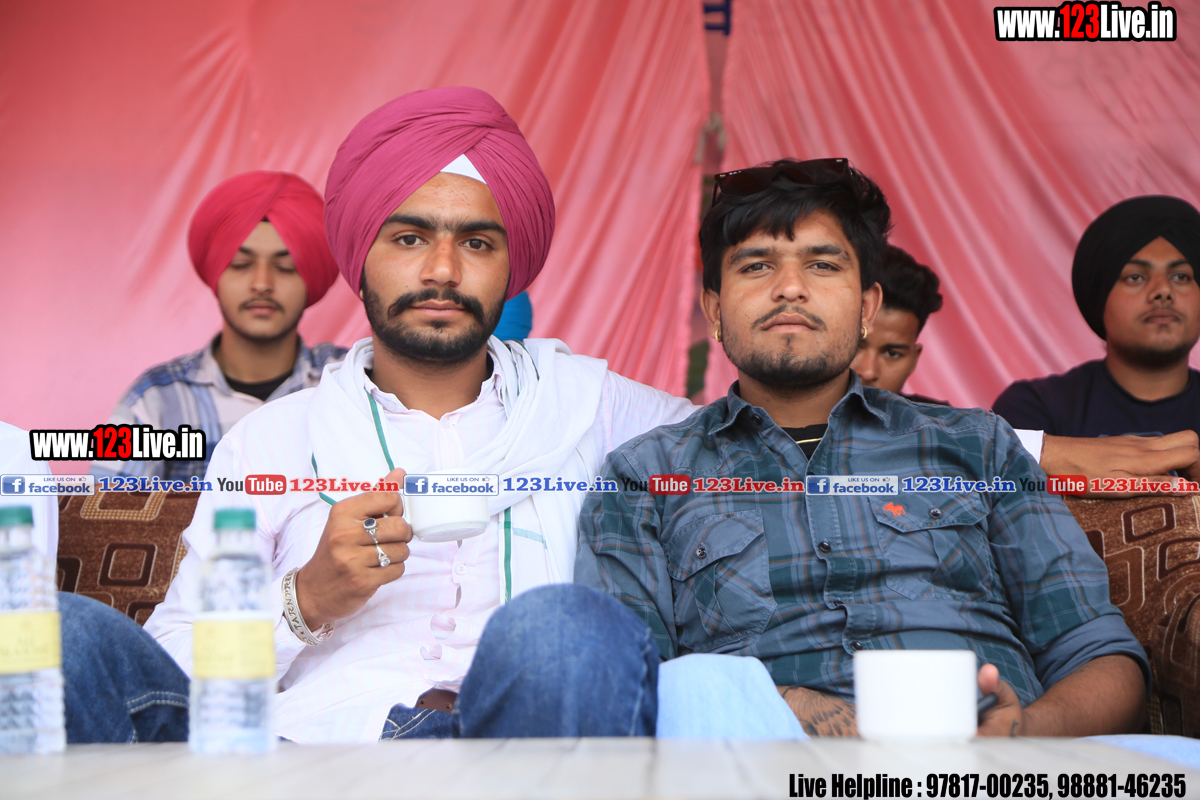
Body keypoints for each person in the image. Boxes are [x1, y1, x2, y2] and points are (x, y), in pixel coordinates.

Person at [61, 86, 696, 743]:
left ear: (512, 269)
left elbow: (739, 447)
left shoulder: (589, 405)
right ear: (360, 261)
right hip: (315, 756)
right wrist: (305, 600)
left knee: (563, 627)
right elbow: (171, 665)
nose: (443, 270)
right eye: (410, 238)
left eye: (477, 243)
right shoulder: (271, 441)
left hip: (521, 750)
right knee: (64, 633)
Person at [573, 158, 1150, 737]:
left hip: (989, 763)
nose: (790, 287)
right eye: (757, 265)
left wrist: (1024, 733)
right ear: (715, 310)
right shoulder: (645, 476)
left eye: (823, 264)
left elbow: (1100, 654)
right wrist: (779, 707)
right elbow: (627, 684)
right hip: (761, 761)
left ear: (868, 307)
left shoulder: (980, 446)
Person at [90, 172, 346, 482]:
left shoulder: (351, 380)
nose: (262, 283)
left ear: (311, 277)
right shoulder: (156, 399)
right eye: (241, 264)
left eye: (285, 267)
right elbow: (103, 509)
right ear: (216, 274)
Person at [994, 196, 1200, 440]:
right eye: (1135, 277)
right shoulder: (1034, 407)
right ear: (1100, 297)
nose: (1163, 291)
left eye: (1181, 277)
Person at [851, 244, 945, 404]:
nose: (868, 372)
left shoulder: (939, 419)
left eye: (891, 353)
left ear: (914, 360)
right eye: (855, 345)